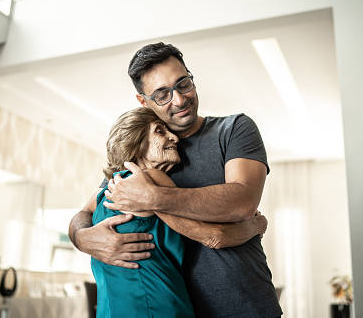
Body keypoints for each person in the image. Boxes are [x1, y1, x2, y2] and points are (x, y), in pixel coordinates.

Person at [70, 42, 282, 317]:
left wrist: (154, 198)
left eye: (183, 84)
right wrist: (81, 237)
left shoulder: (234, 129)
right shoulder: (141, 157)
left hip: (245, 307)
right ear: (143, 101)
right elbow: (87, 210)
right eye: (162, 94)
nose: (179, 99)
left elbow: (242, 201)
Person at [91, 107, 268, 317]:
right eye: (159, 131)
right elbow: (215, 237)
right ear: (135, 144)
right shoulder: (150, 179)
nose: (174, 137)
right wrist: (258, 224)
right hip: (156, 306)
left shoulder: (106, 193)